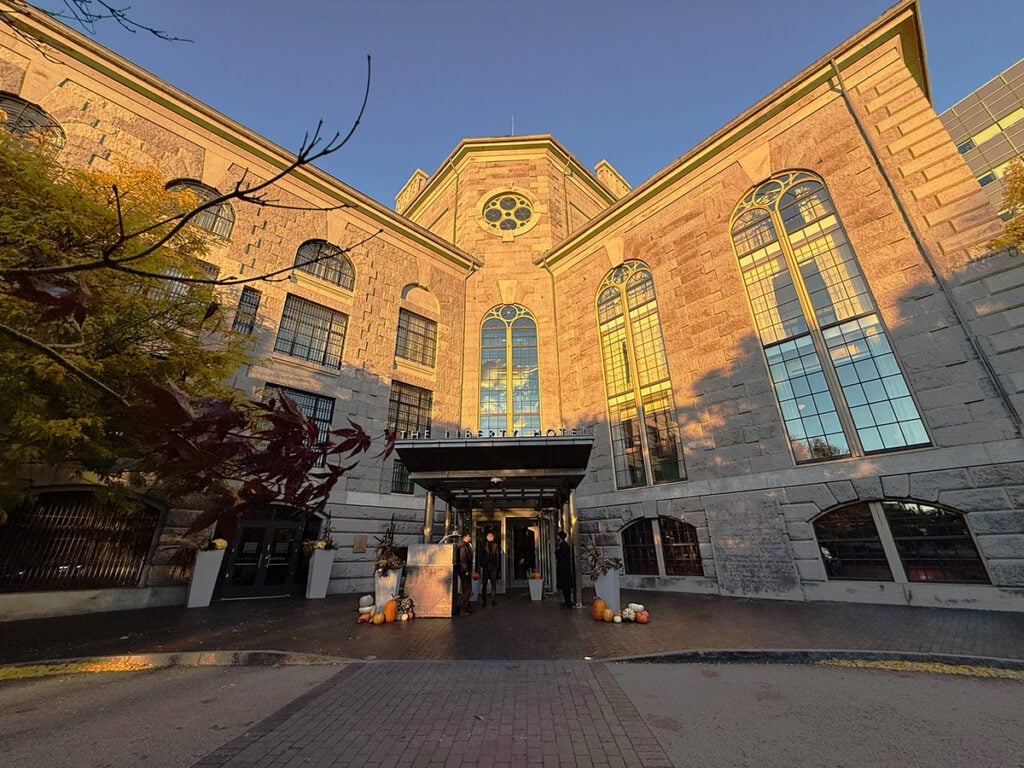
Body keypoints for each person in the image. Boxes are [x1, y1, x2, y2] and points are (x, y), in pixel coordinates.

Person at [477, 531, 500, 607]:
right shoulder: (483, 545)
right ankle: (484, 601)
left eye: (493, 536)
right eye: (491, 536)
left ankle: (493, 600)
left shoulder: (495, 545)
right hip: (486, 566)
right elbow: (480, 555)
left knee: (493, 583)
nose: (493, 537)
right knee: (485, 583)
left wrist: (497, 565)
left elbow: (497, 555)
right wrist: (482, 565)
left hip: (493, 566)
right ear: (487, 537)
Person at [555, 530, 574, 608]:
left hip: (564, 568)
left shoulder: (563, 545)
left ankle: (567, 602)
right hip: (565, 568)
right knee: (566, 586)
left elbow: (560, 555)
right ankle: (567, 601)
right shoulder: (565, 545)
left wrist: (556, 551)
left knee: (565, 586)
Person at [456, 531, 474, 615]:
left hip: (466, 571)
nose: (470, 537)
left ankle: (465, 606)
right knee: (468, 590)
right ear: (465, 537)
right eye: (469, 536)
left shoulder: (467, 546)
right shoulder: (463, 546)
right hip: (464, 571)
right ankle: (462, 608)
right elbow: (463, 560)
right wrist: (466, 571)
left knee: (466, 589)